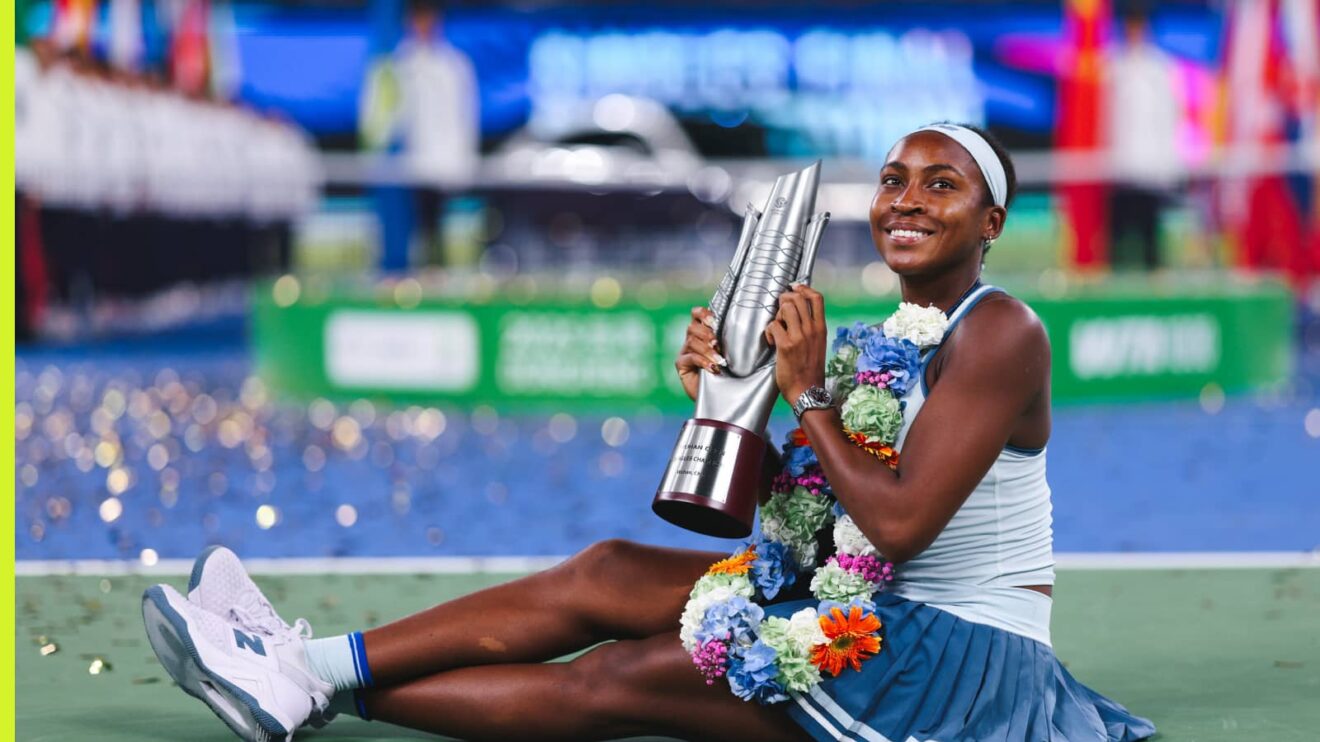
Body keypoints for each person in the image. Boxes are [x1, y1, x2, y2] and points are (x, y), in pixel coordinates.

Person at [142, 123, 1156, 742]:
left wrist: (801, 393)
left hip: (950, 667)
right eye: (895, 179)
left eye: (943, 186)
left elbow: (894, 531)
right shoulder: (878, 341)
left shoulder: (1004, 333)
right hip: (869, 607)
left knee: (619, 681)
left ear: (991, 224)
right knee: (607, 570)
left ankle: (302, 688)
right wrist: (731, 401)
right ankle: (304, 666)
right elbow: (802, 523)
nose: (907, 200)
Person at [1105, 3, 1182, 269]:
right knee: (1117, 242)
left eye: (1140, 26)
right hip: (1118, 170)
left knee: (1150, 241)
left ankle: (1157, 299)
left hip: (1150, 169)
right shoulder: (1110, 67)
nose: (1135, 31)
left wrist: (1168, 167)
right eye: (1130, 26)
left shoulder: (1161, 70)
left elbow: (1168, 122)